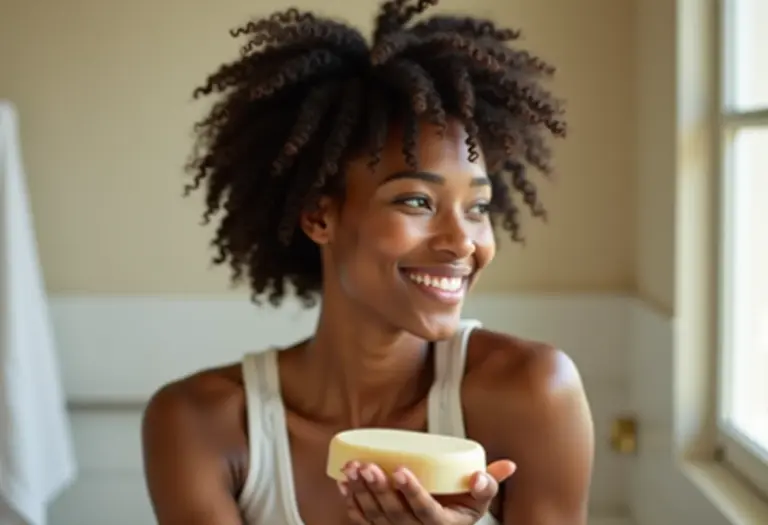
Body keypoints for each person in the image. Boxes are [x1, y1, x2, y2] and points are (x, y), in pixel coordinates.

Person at [141, 1, 594, 524]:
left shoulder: (531, 393)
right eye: (417, 202)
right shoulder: (201, 423)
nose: (462, 243)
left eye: (477, 208)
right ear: (318, 216)